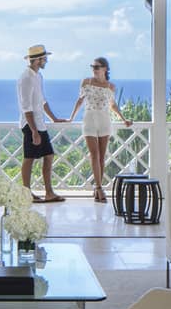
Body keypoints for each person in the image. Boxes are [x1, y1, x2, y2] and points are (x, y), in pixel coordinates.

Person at [67, 56, 134, 203]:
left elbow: (113, 105)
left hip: (104, 120)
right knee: (94, 154)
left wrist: (124, 119)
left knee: (102, 157)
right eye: (92, 66)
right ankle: (98, 187)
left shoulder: (111, 86)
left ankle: (98, 189)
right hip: (89, 119)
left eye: (97, 67)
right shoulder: (87, 82)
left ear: (105, 69)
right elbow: (80, 100)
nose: (94, 69)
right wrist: (71, 118)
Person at [17, 44, 67, 203]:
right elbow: (26, 107)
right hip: (31, 125)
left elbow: (42, 101)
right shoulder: (26, 78)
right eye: (44, 58)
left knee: (49, 155)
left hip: (40, 124)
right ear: (37, 60)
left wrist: (53, 118)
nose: (46, 61)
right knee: (29, 158)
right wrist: (33, 131)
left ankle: (49, 193)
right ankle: (26, 194)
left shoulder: (38, 76)